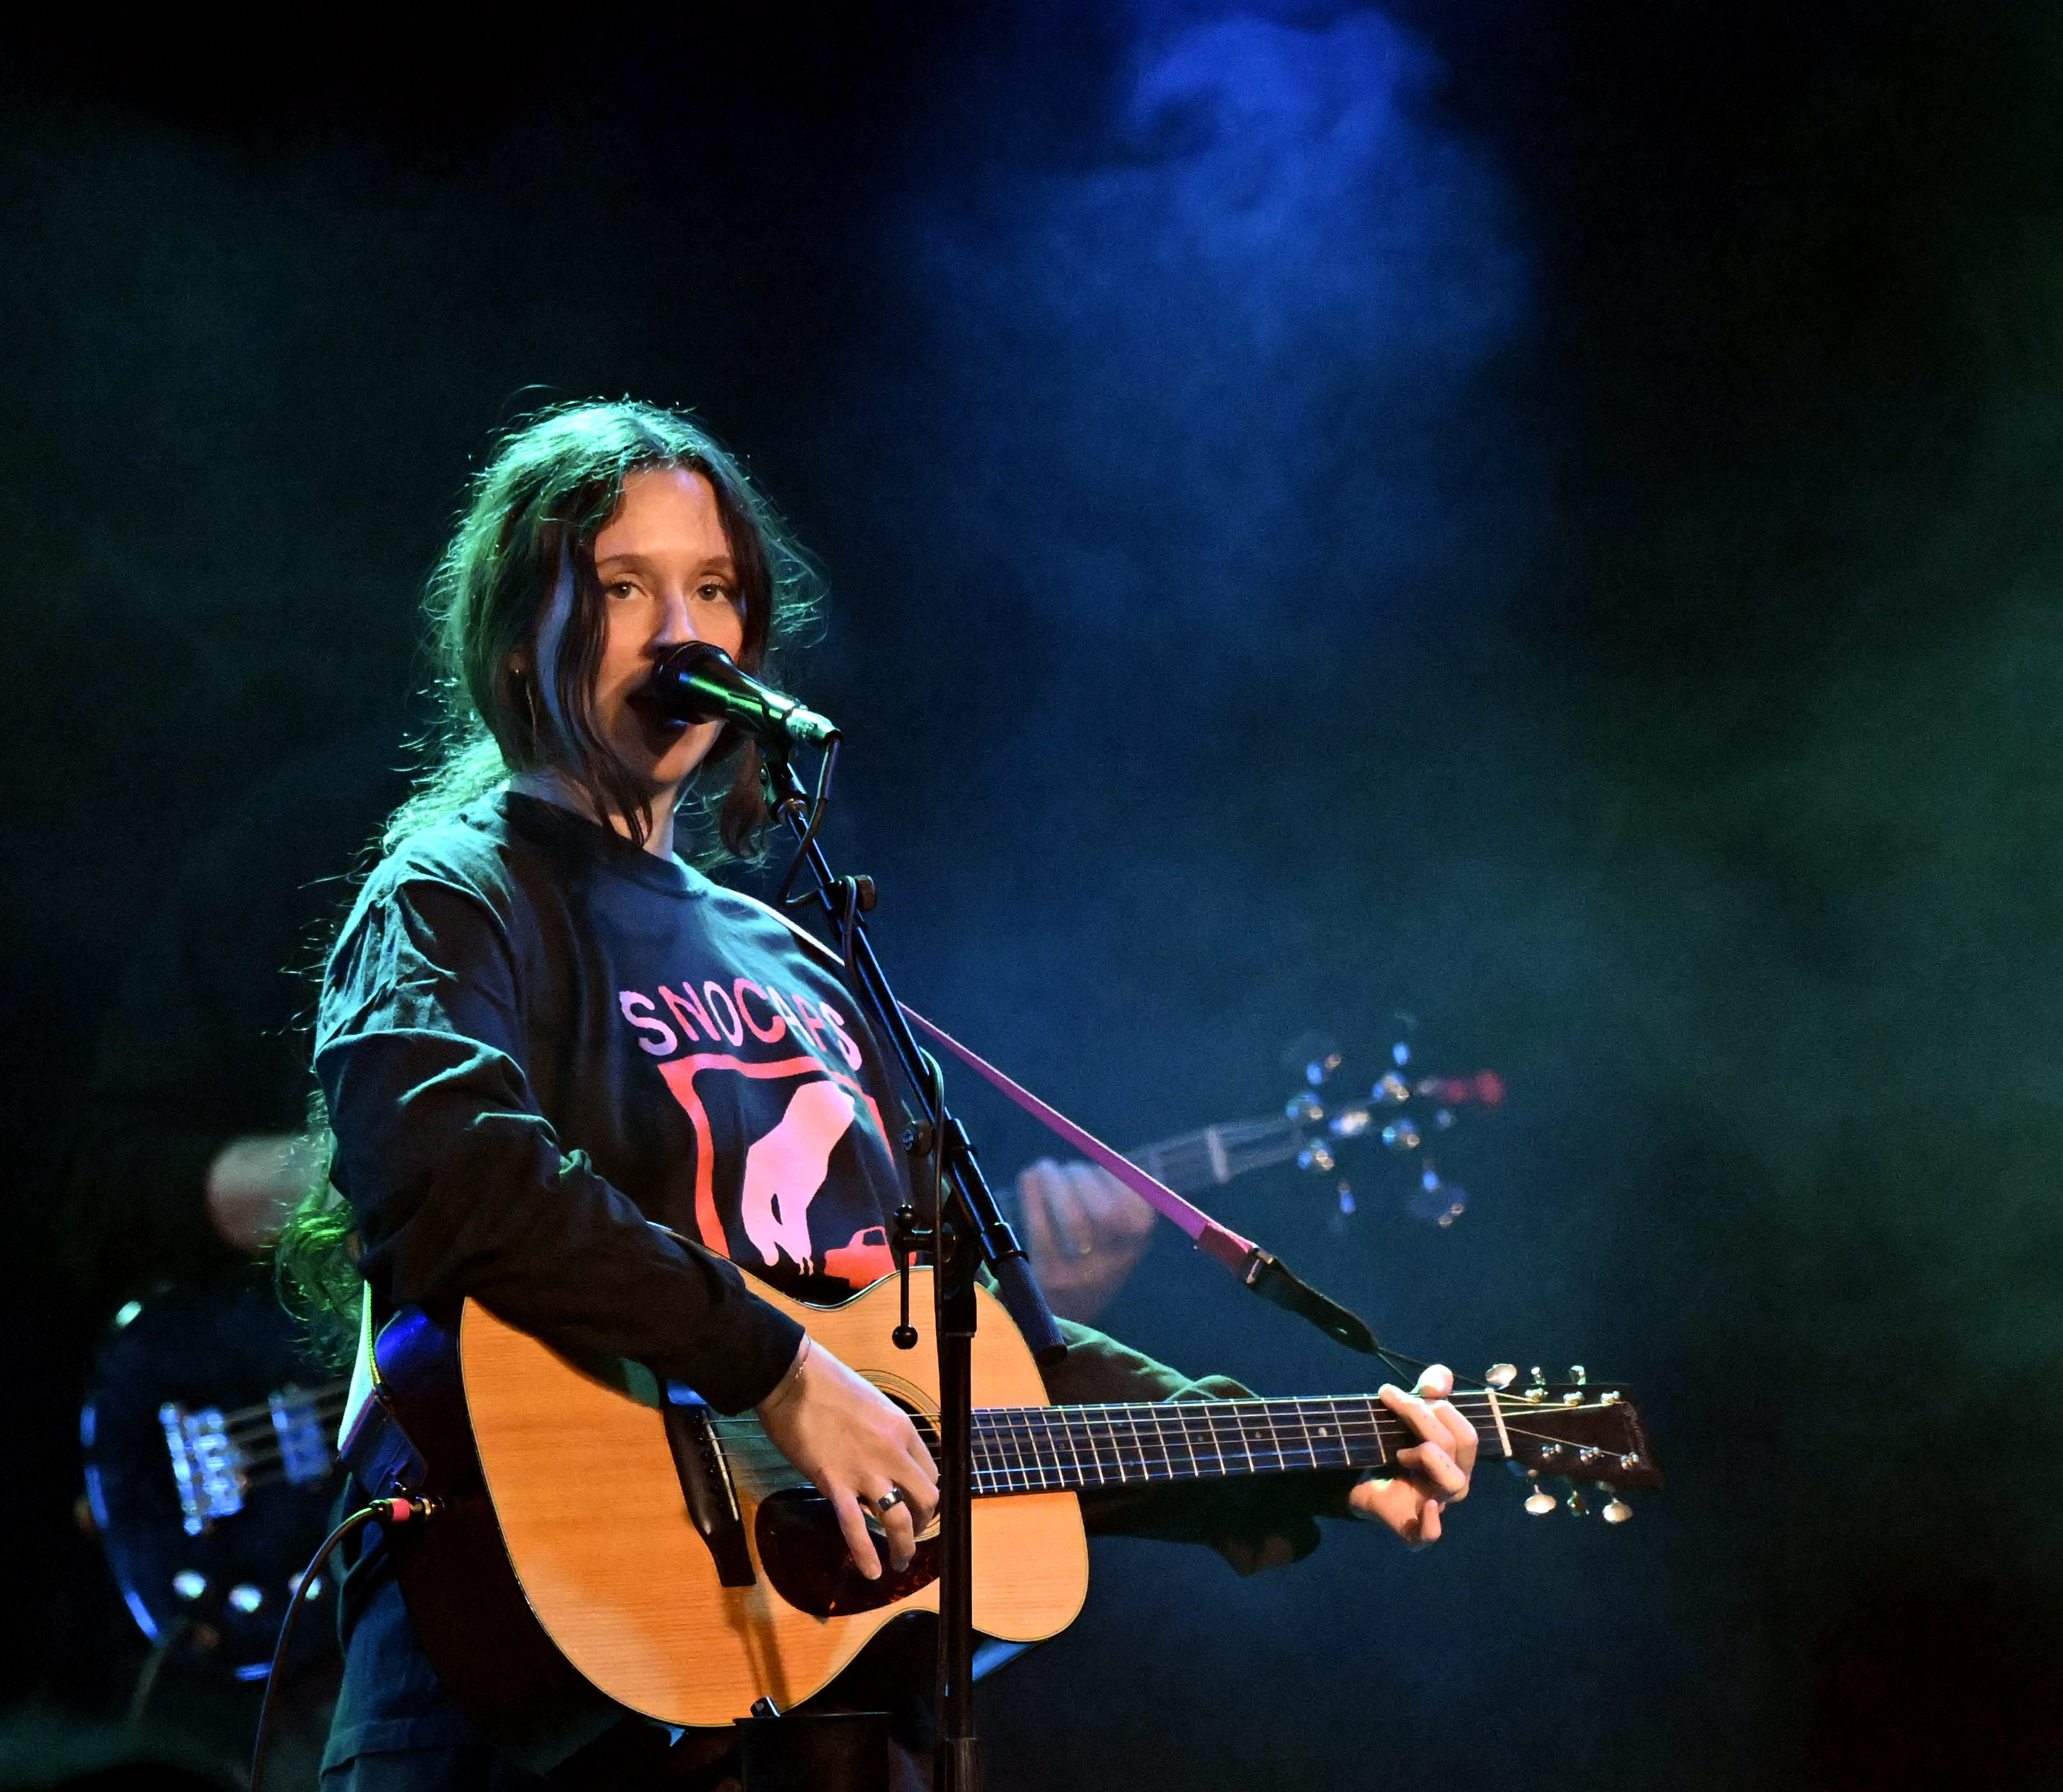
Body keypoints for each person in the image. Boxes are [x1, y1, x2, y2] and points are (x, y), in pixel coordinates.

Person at [281, 401, 1481, 1792]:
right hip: (514, 1678)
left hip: (804, 1710)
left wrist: (1308, 1457)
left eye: (715, 590)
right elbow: (455, 1176)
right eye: (623, 587)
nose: (685, 632)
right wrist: (779, 1371)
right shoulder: (451, 894)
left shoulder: (796, 958)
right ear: (511, 634)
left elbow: (979, 1355)